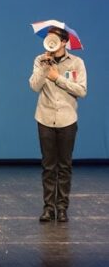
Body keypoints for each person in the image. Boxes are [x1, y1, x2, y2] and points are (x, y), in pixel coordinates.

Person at [28, 26, 87, 223]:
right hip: (45, 118)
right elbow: (34, 86)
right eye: (48, 38)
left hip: (67, 120)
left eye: (55, 39)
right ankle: (48, 208)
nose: (51, 42)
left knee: (64, 166)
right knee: (48, 166)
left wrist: (58, 79)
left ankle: (62, 208)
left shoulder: (77, 63)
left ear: (64, 41)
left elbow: (81, 90)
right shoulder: (40, 60)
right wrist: (45, 68)